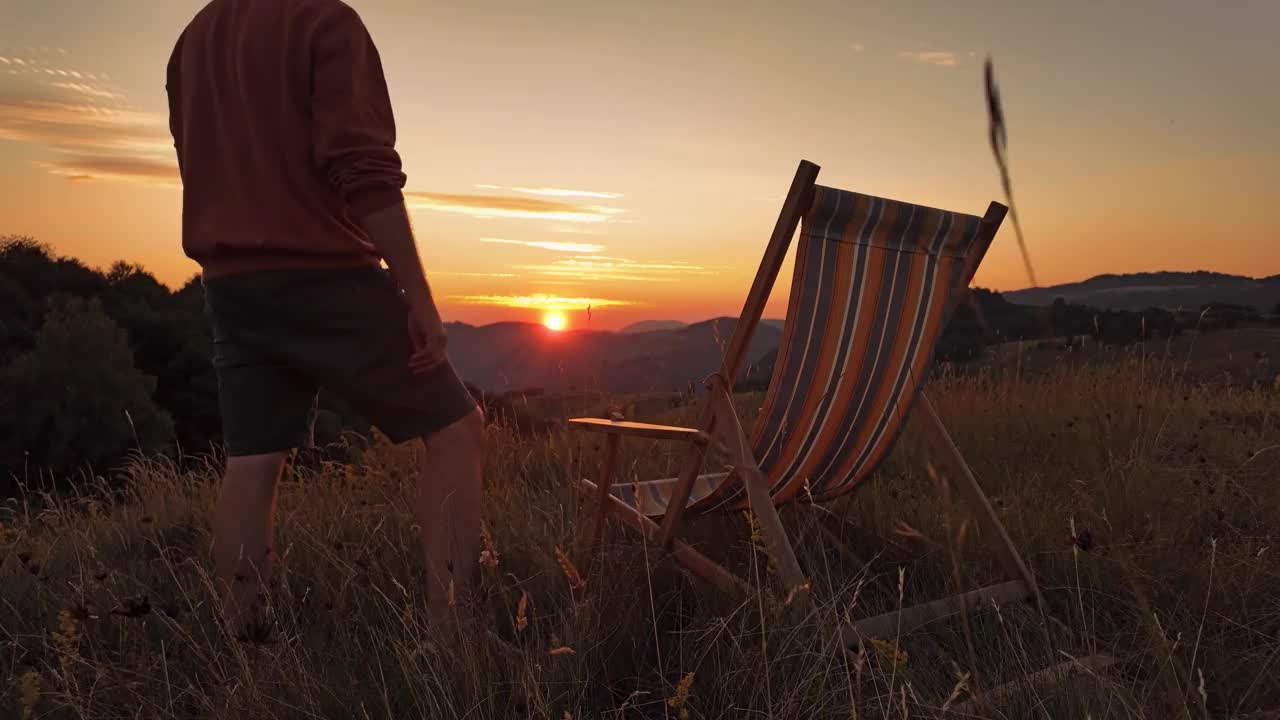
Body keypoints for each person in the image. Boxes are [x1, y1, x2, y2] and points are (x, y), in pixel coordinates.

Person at [165, 0, 483, 633]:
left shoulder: (193, 39)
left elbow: (201, 161)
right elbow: (364, 171)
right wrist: (418, 297)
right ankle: (455, 642)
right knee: (457, 429)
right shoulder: (323, 20)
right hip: (322, 273)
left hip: (229, 284)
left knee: (253, 460)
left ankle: (245, 651)